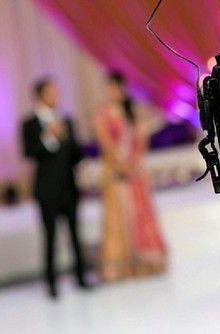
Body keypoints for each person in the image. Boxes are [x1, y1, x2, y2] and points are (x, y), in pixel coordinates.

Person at [92, 71, 166, 281]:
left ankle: (145, 262)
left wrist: (132, 163)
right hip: (115, 172)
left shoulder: (133, 113)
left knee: (140, 213)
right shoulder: (102, 114)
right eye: (109, 88)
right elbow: (105, 142)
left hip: (135, 172)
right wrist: (120, 164)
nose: (113, 92)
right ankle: (121, 266)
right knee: (117, 217)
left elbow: (141, 142)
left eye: (116, 87)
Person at [21, 77, 88, 298]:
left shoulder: (66, 120)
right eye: (51, 92)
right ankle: (51, 284)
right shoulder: (30, 124)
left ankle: (81, 277)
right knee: (49, 237)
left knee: (75, 235)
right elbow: (29, 153)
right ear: (40, 95)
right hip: (47, 190)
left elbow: (76, 153)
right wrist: (49, 136)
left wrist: (72, 146)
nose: (56, 95)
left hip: (69, 186)